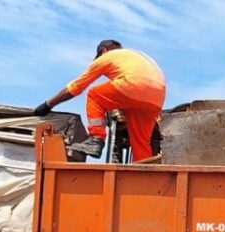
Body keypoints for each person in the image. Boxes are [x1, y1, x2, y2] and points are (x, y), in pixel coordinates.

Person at [34, 39, 166, 162]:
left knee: (94, 95)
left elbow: (75, 87)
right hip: (157, 96)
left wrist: (47, 105)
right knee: (140, 142)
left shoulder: (107, 56)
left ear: (103, 50)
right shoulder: (135, 56)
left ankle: (96, 139)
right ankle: (145, 174)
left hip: (134, 84)